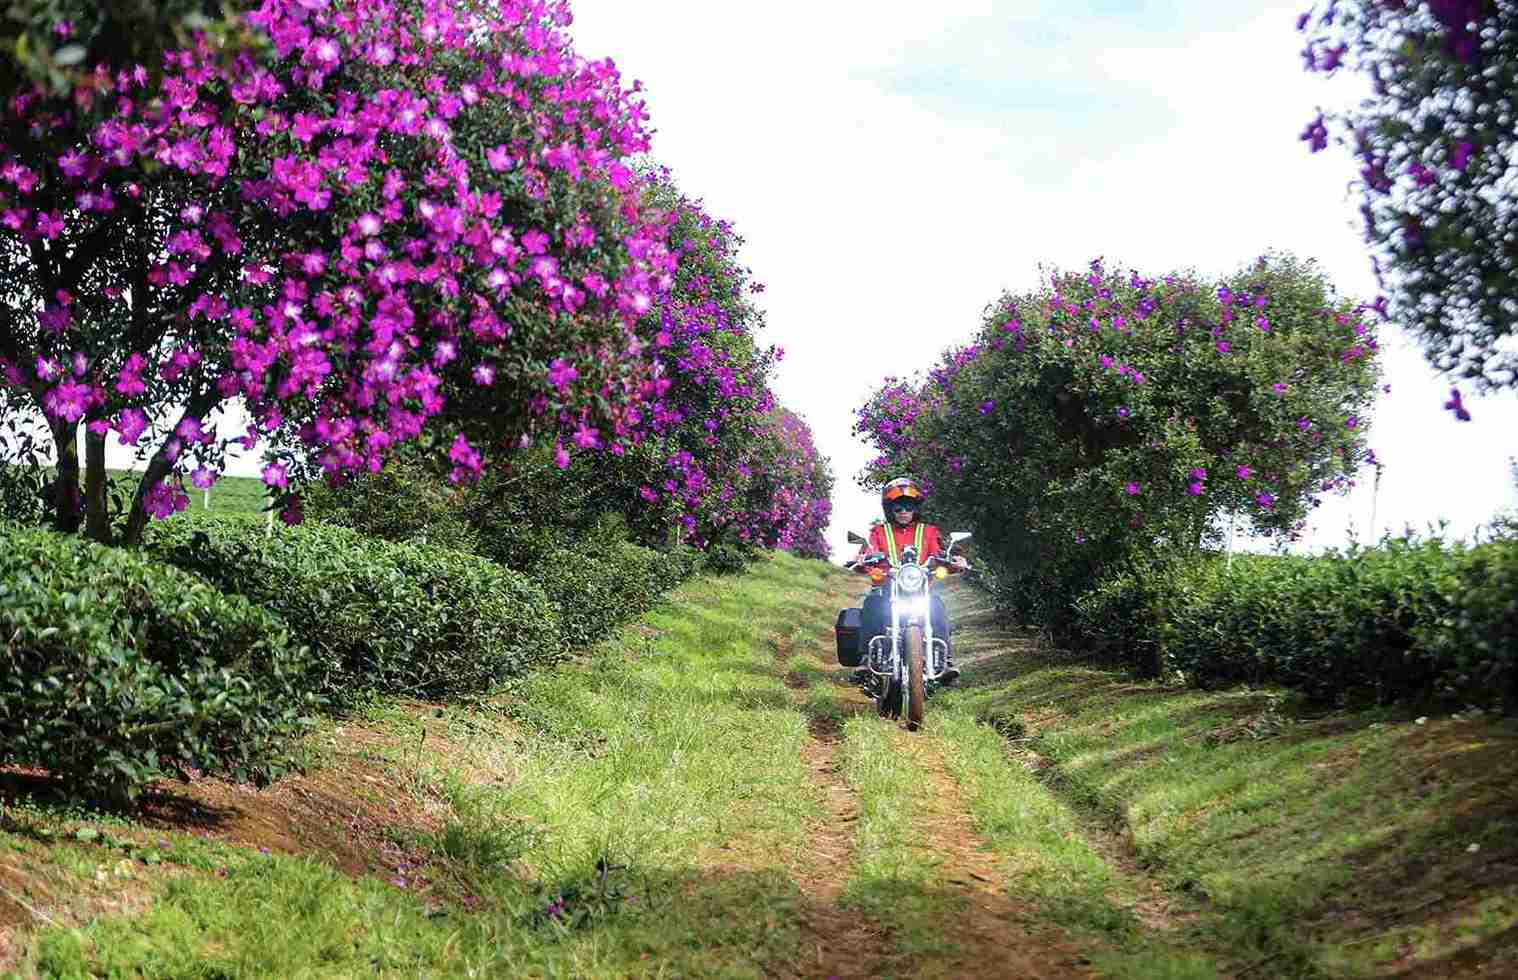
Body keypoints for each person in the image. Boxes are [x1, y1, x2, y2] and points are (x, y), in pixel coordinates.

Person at [851, 477, 965, 685]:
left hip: (920, 588)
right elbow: (869, 551)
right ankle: (867, 658)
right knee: (872, 603)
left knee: (936, 606)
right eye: (898, 507)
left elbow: (939, 553)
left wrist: (954, 561)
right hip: (888, 586)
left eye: (909, 506)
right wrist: (861, 559)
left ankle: (945, 660)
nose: (904, 511)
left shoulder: (929, 531)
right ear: (890, 509)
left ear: (916, 508)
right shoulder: (879, 532)